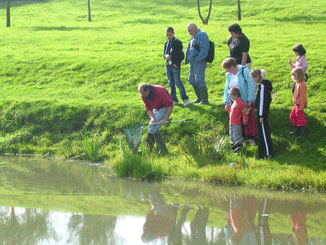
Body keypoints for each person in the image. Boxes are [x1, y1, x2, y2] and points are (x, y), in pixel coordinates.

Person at [222, 57, 257, 145]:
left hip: (244, 100)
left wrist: (250, 99)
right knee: (237, 120)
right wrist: (226, 101)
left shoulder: (244, 71)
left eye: (228, 68)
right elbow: (226, 89)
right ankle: (240, 139)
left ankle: (250, 138)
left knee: (247, 119)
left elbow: (252, 85)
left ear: (233, 66)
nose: (227, 71)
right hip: (234, 102)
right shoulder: (229, 75)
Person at [138, 83, 173, 153]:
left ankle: (148, 149)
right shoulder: (144, 95)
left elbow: (170, 105)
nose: (142, 95)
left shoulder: (160, 91)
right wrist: (152, 118)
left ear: (148, 90)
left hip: (165, 108)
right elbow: (148, 108)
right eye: (140, 93)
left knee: (151, 127)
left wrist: (165, 119)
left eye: (143, 93)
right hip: (156, 108)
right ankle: (163, 149)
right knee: (154, 127)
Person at [250, 68, 274, 159]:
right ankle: (262, 153)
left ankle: (268, 154)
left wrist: (261, 115)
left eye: (253, 78)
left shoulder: (263, 85)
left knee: (264, 133)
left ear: (257, 76)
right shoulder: (262, 85)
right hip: (261, 113)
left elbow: (262, 102)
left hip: (262, 114)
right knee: (261, 133)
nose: (253, 80)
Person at [164, 27, 190, 107]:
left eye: (170, 35)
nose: (168, 36)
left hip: (175, 66)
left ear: (173, 33)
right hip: (168, 65)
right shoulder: (166, 43)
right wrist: (166, 56)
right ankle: (174, 99)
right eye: (167, 35)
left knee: (178, 82)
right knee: (171, 83)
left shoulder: (178, 42)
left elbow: (182, 55)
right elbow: (164, 54)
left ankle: (185, 99)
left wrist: (177, 64)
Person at [185, 22, 210, 105]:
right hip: (192, 62)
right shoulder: (193, 36)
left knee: (199, 80)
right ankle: (199, 98)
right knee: (191, 80)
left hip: (199, 61)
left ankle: (204, 100)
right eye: (188, 31)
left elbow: (204, 49)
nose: (189, 33)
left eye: (190, 30)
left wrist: (198, 58)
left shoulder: (202, 34)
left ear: (195, 28)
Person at [227, 87, 248, 152]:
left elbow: (245, 112)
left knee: (237, 137)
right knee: (231, 136)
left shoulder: (241, 103)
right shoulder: (234, 102)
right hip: (231, 123)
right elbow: (232, 112)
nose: (231, 98)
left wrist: (245, 120)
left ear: (236, 95)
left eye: (231, 96)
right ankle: (233, 149)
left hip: (237, 124)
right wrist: (228, 109)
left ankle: (238, 150)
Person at [289, 68, 307, 138]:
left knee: (300, 118)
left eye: (294, 75)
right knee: (292, 116)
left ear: (299, 75)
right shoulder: (297, 82)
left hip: (300, 104)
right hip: (297, 104)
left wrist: (301, 107)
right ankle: (296, 129)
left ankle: (303, 133)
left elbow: (303, 97)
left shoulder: (302, 84)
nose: (292, 76)